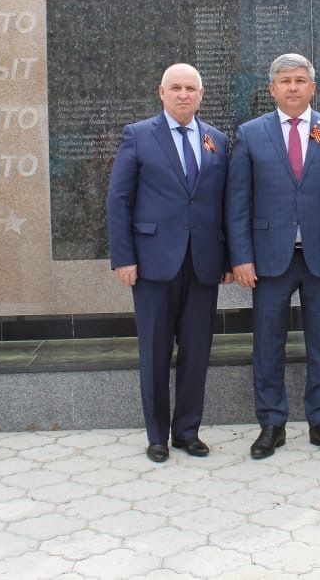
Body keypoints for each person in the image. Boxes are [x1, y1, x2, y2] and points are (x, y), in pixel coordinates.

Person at [226, 53, 320, 459]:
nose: (293, 87)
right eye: (285, 80)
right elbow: (238, 203)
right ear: (271, 89)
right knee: (267, 344)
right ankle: (271, 423)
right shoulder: (251, 134)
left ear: (313, 87)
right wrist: (241, 257)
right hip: (269, 260)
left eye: (300, 80)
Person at [107, 63, 231, 463]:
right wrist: (124, 257)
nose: (183, 95)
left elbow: (224, 204)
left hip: (203, 265)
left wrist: (227, 258)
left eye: (190, 88)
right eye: (175, 88)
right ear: (161, 92)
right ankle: (157, 436)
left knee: (196, 353)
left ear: (201, 94)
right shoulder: (139, 136)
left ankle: (187, 431)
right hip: (153, 265)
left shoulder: (217, 140)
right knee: (156, 353)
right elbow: (118, 200)